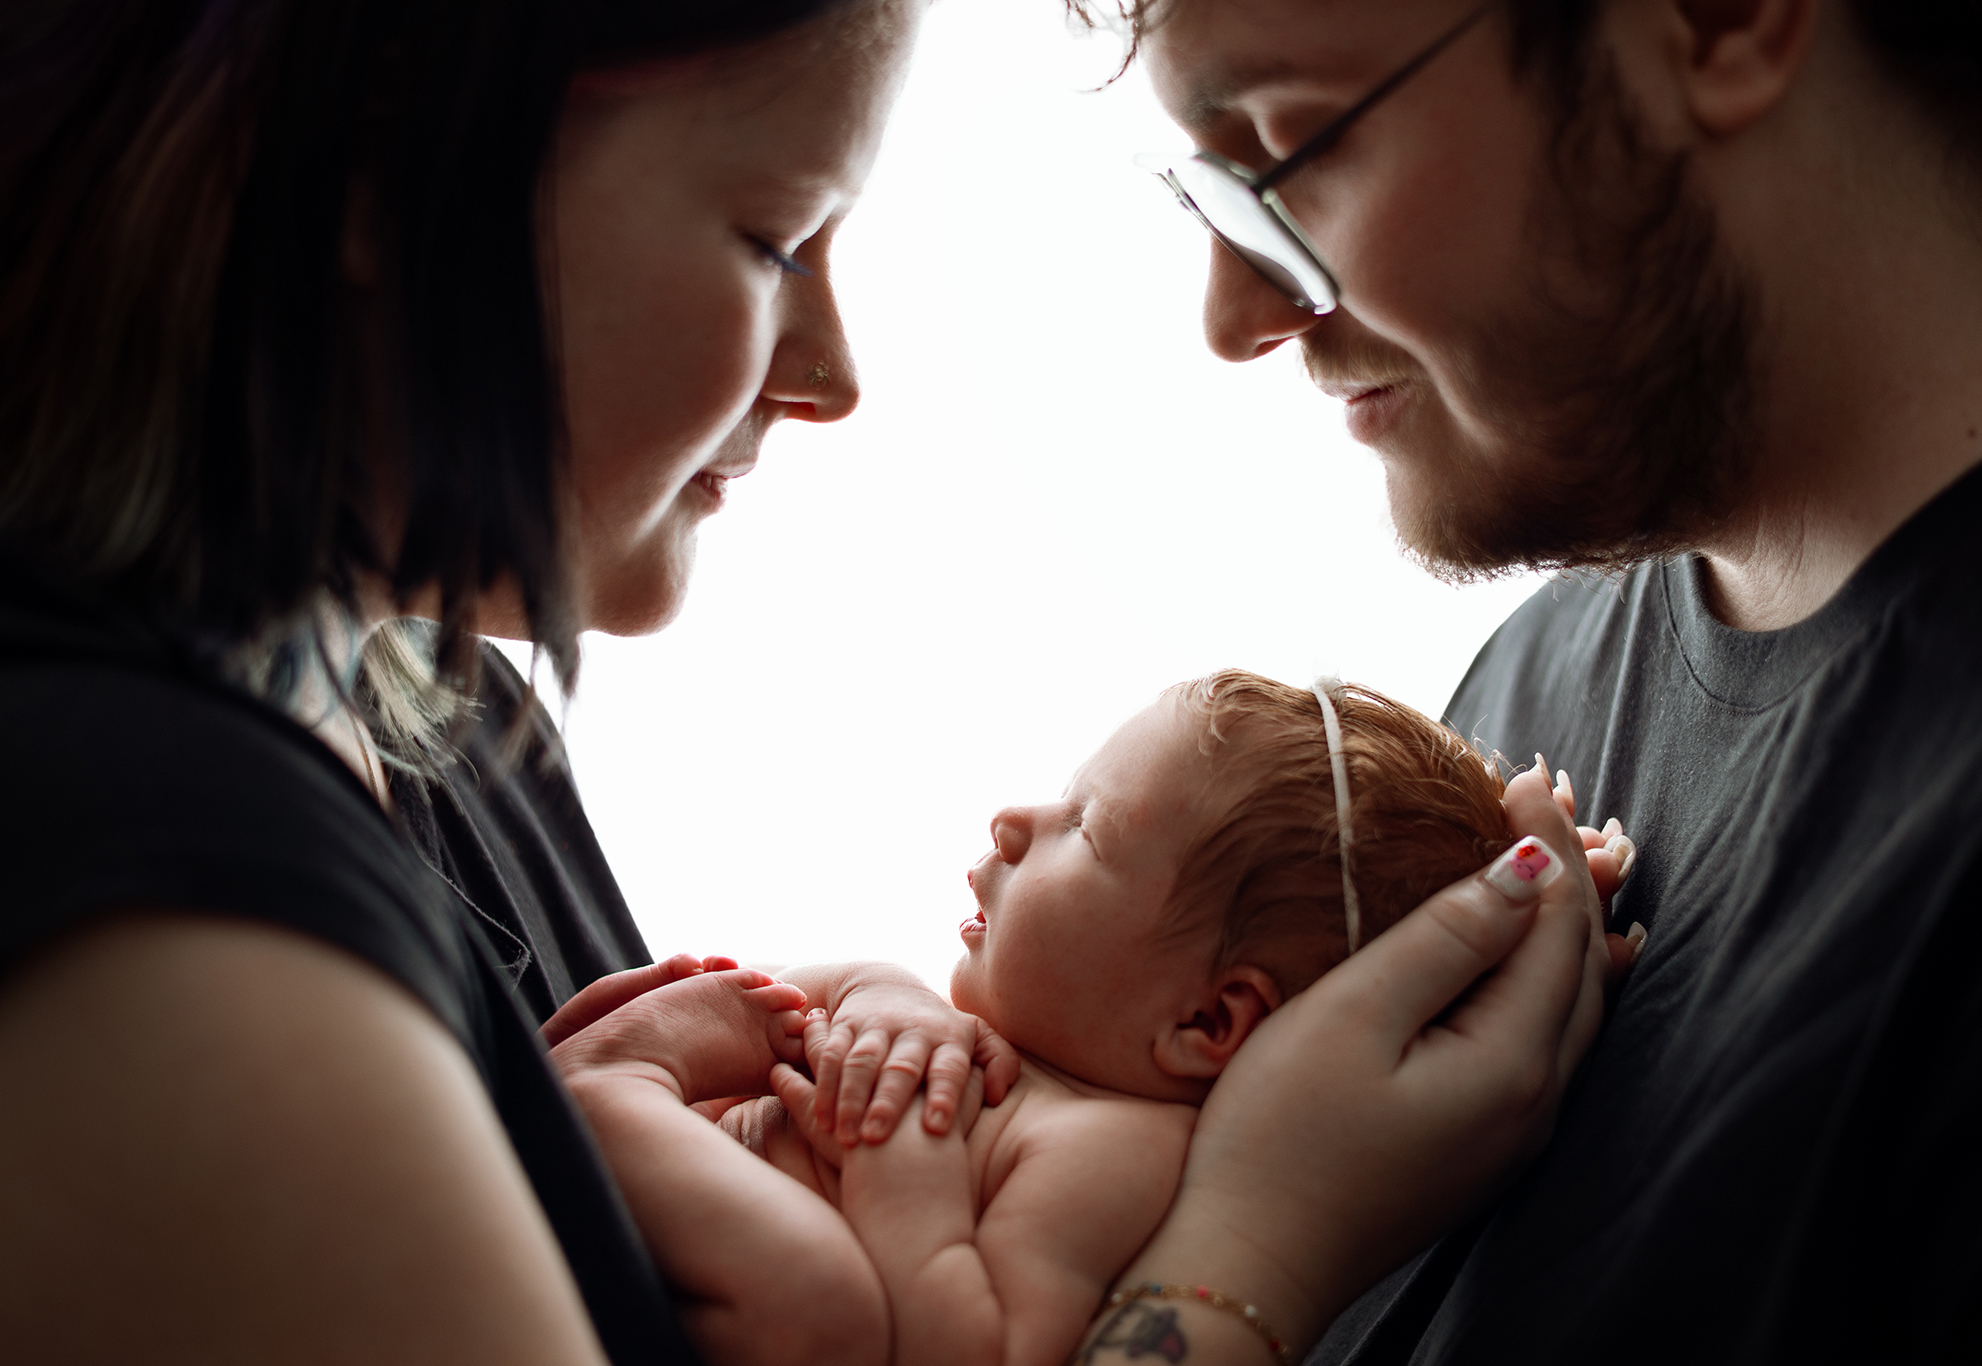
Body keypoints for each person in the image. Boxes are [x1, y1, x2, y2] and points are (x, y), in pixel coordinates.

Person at [0, 0, 1620, 1362]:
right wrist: (1257, 1242)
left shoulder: (447, 726)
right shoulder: (156, 900)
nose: (831, 376)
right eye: (773, 237)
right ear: (371, 169)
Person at [1096, 0, 1982, 1358]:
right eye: (1210, 189)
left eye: (1292, 151)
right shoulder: (1542, 669)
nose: (1235, 315)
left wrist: (1226, 1264)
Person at [550, 671, 1640, 1366]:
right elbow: (796, 997)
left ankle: (592, 1094)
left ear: (1207, 1020)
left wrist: (906, 1182)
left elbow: (978, 1350)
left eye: (1088, 827)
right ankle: (593, 1090)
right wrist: (882, 992)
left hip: (651, 1258)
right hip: (641, 1190)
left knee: (821, 1307)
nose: (1014, 820)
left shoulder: (1111, 1150)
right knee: (751, 1000)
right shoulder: (979, 1044)